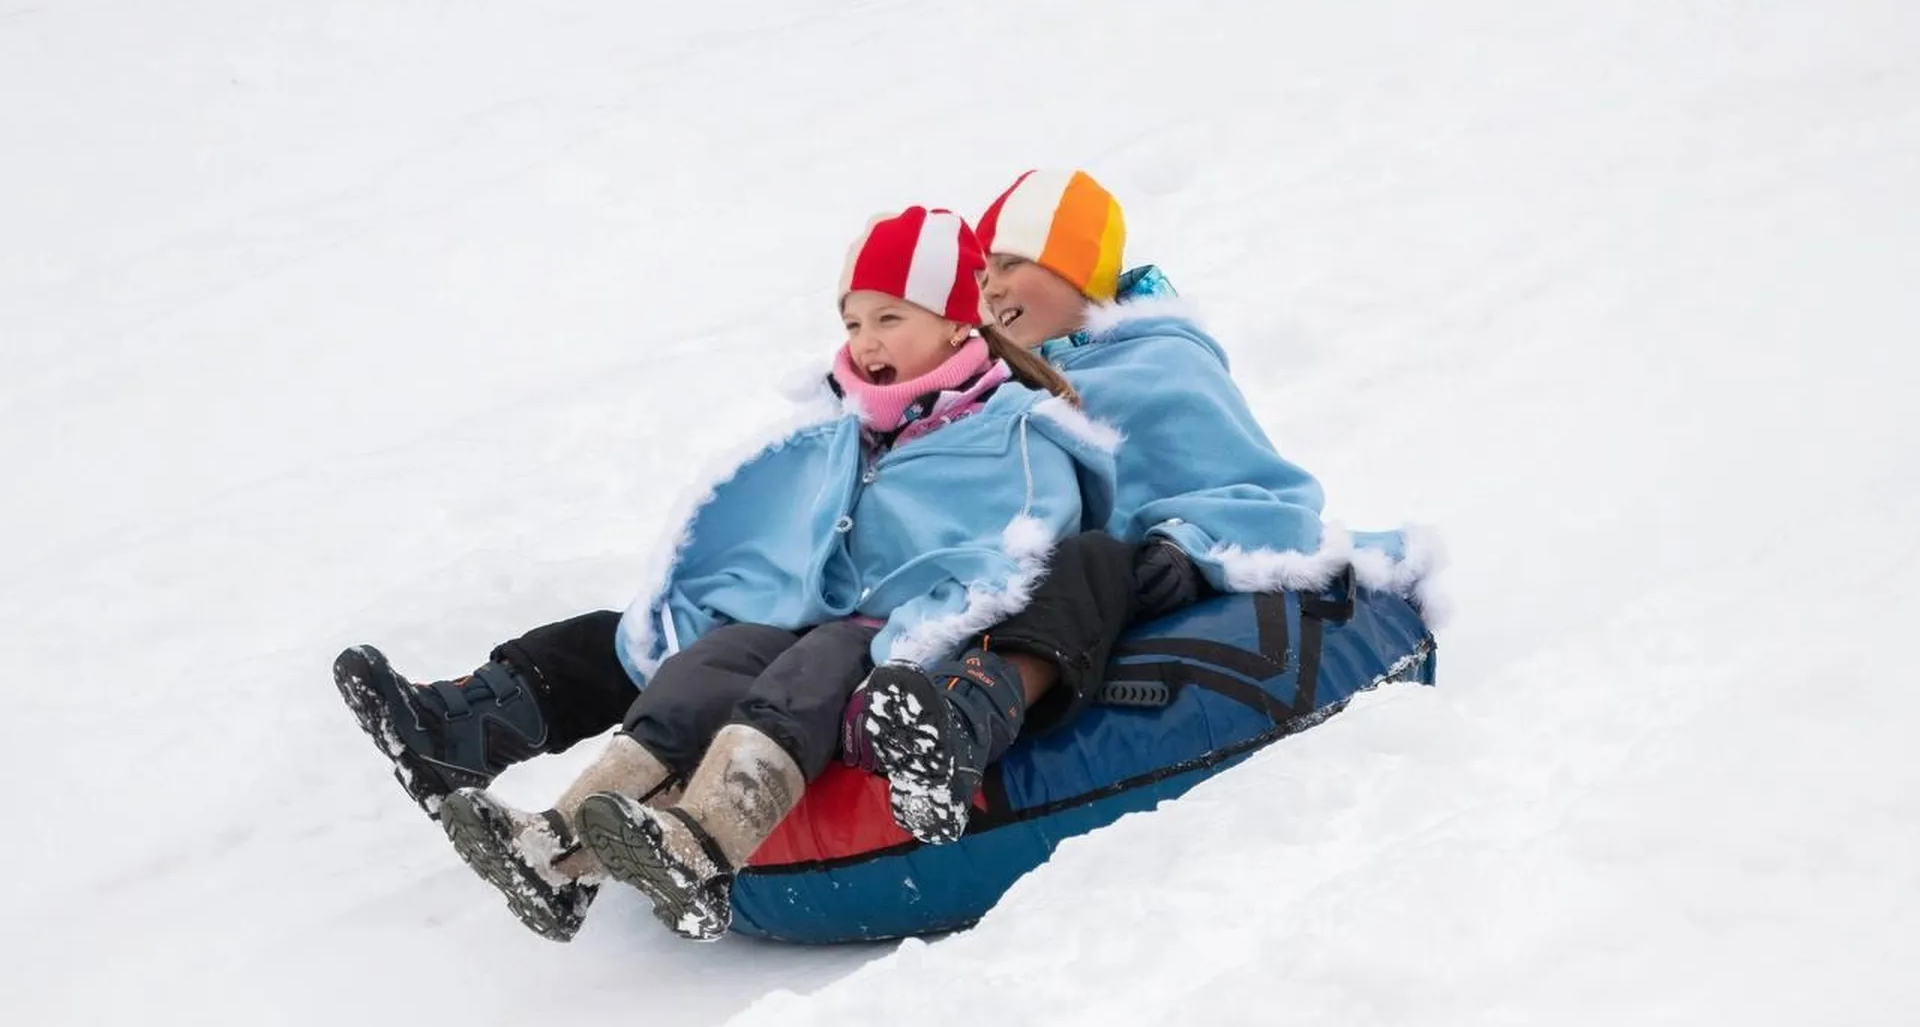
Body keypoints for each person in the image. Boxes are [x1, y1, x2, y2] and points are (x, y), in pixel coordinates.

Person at [335, 205, 1119, 942]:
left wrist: (924, 629)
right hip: (820, 618)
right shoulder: (853, 433)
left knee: (805, 669)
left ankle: (705, 845)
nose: (867, 342)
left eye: (890, 318)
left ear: (955, 323)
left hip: (903, 641)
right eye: (852, 322)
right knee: (708, 662)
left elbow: (1021, 554)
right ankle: (558, 853)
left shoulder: (1014, 430)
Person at [847, 170, 1438, 845]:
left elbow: (1258, 490)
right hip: (1032, 598)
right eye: (984, 275)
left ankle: (973, 710)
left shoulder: (1161, 361)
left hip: (1130, 586)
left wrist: (1187, 547)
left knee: (1088, 559)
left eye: (1014, 263)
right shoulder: (993, 395)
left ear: (1080, 275)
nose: (993, 287)